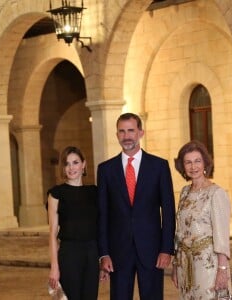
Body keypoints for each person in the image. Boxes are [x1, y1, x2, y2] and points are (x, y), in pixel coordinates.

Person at [97, 112, 176, 300]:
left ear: (141, 132)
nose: (127, 136)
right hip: (118, 253)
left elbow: (169, 210)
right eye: (122, 132)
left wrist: (166, 249)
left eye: (131, 131)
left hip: (152, 250)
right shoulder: (106, 170)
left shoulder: (159, 166)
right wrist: (104, 254)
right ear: (117, 135)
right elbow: (103, 214)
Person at [172, 140, 231, 300]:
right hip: (186, 265)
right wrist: (176, 265)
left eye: (197, 161)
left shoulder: (216, 193)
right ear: (182, 166)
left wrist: (222, 269)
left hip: (207, 265)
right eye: (188, 162)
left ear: (205, 163)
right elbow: (180, 231)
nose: (193, 167)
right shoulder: (184, 192)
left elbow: (222, 235)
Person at [47, 146, 99, 300]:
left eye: (75, 162)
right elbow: (52, 234)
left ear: (83, 164)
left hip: (92, 254)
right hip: (69, 254)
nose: (71, 168)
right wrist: (54, 267)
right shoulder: (56, 193)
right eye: (67, 164)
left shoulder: (94, 192)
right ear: (63, 168)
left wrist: (103, 262)